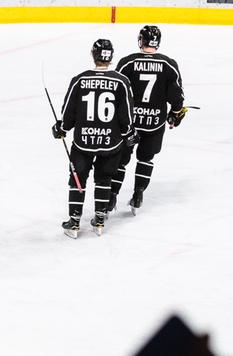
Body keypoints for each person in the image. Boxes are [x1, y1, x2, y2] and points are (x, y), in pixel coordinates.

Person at [53, 39, 135, 238]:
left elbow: (69, 111)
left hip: (83, 142)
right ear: (111, 57)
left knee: (77, 178)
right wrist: (128, 134)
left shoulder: (80, 80)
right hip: (111, 142)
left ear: (93, 54)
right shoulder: (121, 81)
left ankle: (74, 221)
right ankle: (99, 219)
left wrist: (61, 128)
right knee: (104, 178)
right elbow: (126, 115)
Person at [111, 25, 186, 215]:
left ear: (141, 41)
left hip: (130, 123)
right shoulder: (169, 64)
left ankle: (111, 196)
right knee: (146, 158)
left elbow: (115, 92)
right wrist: (176, 113)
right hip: (155, 121)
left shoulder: (128, 62)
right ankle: (138, 194)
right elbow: (177, 97)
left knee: (120, 160)